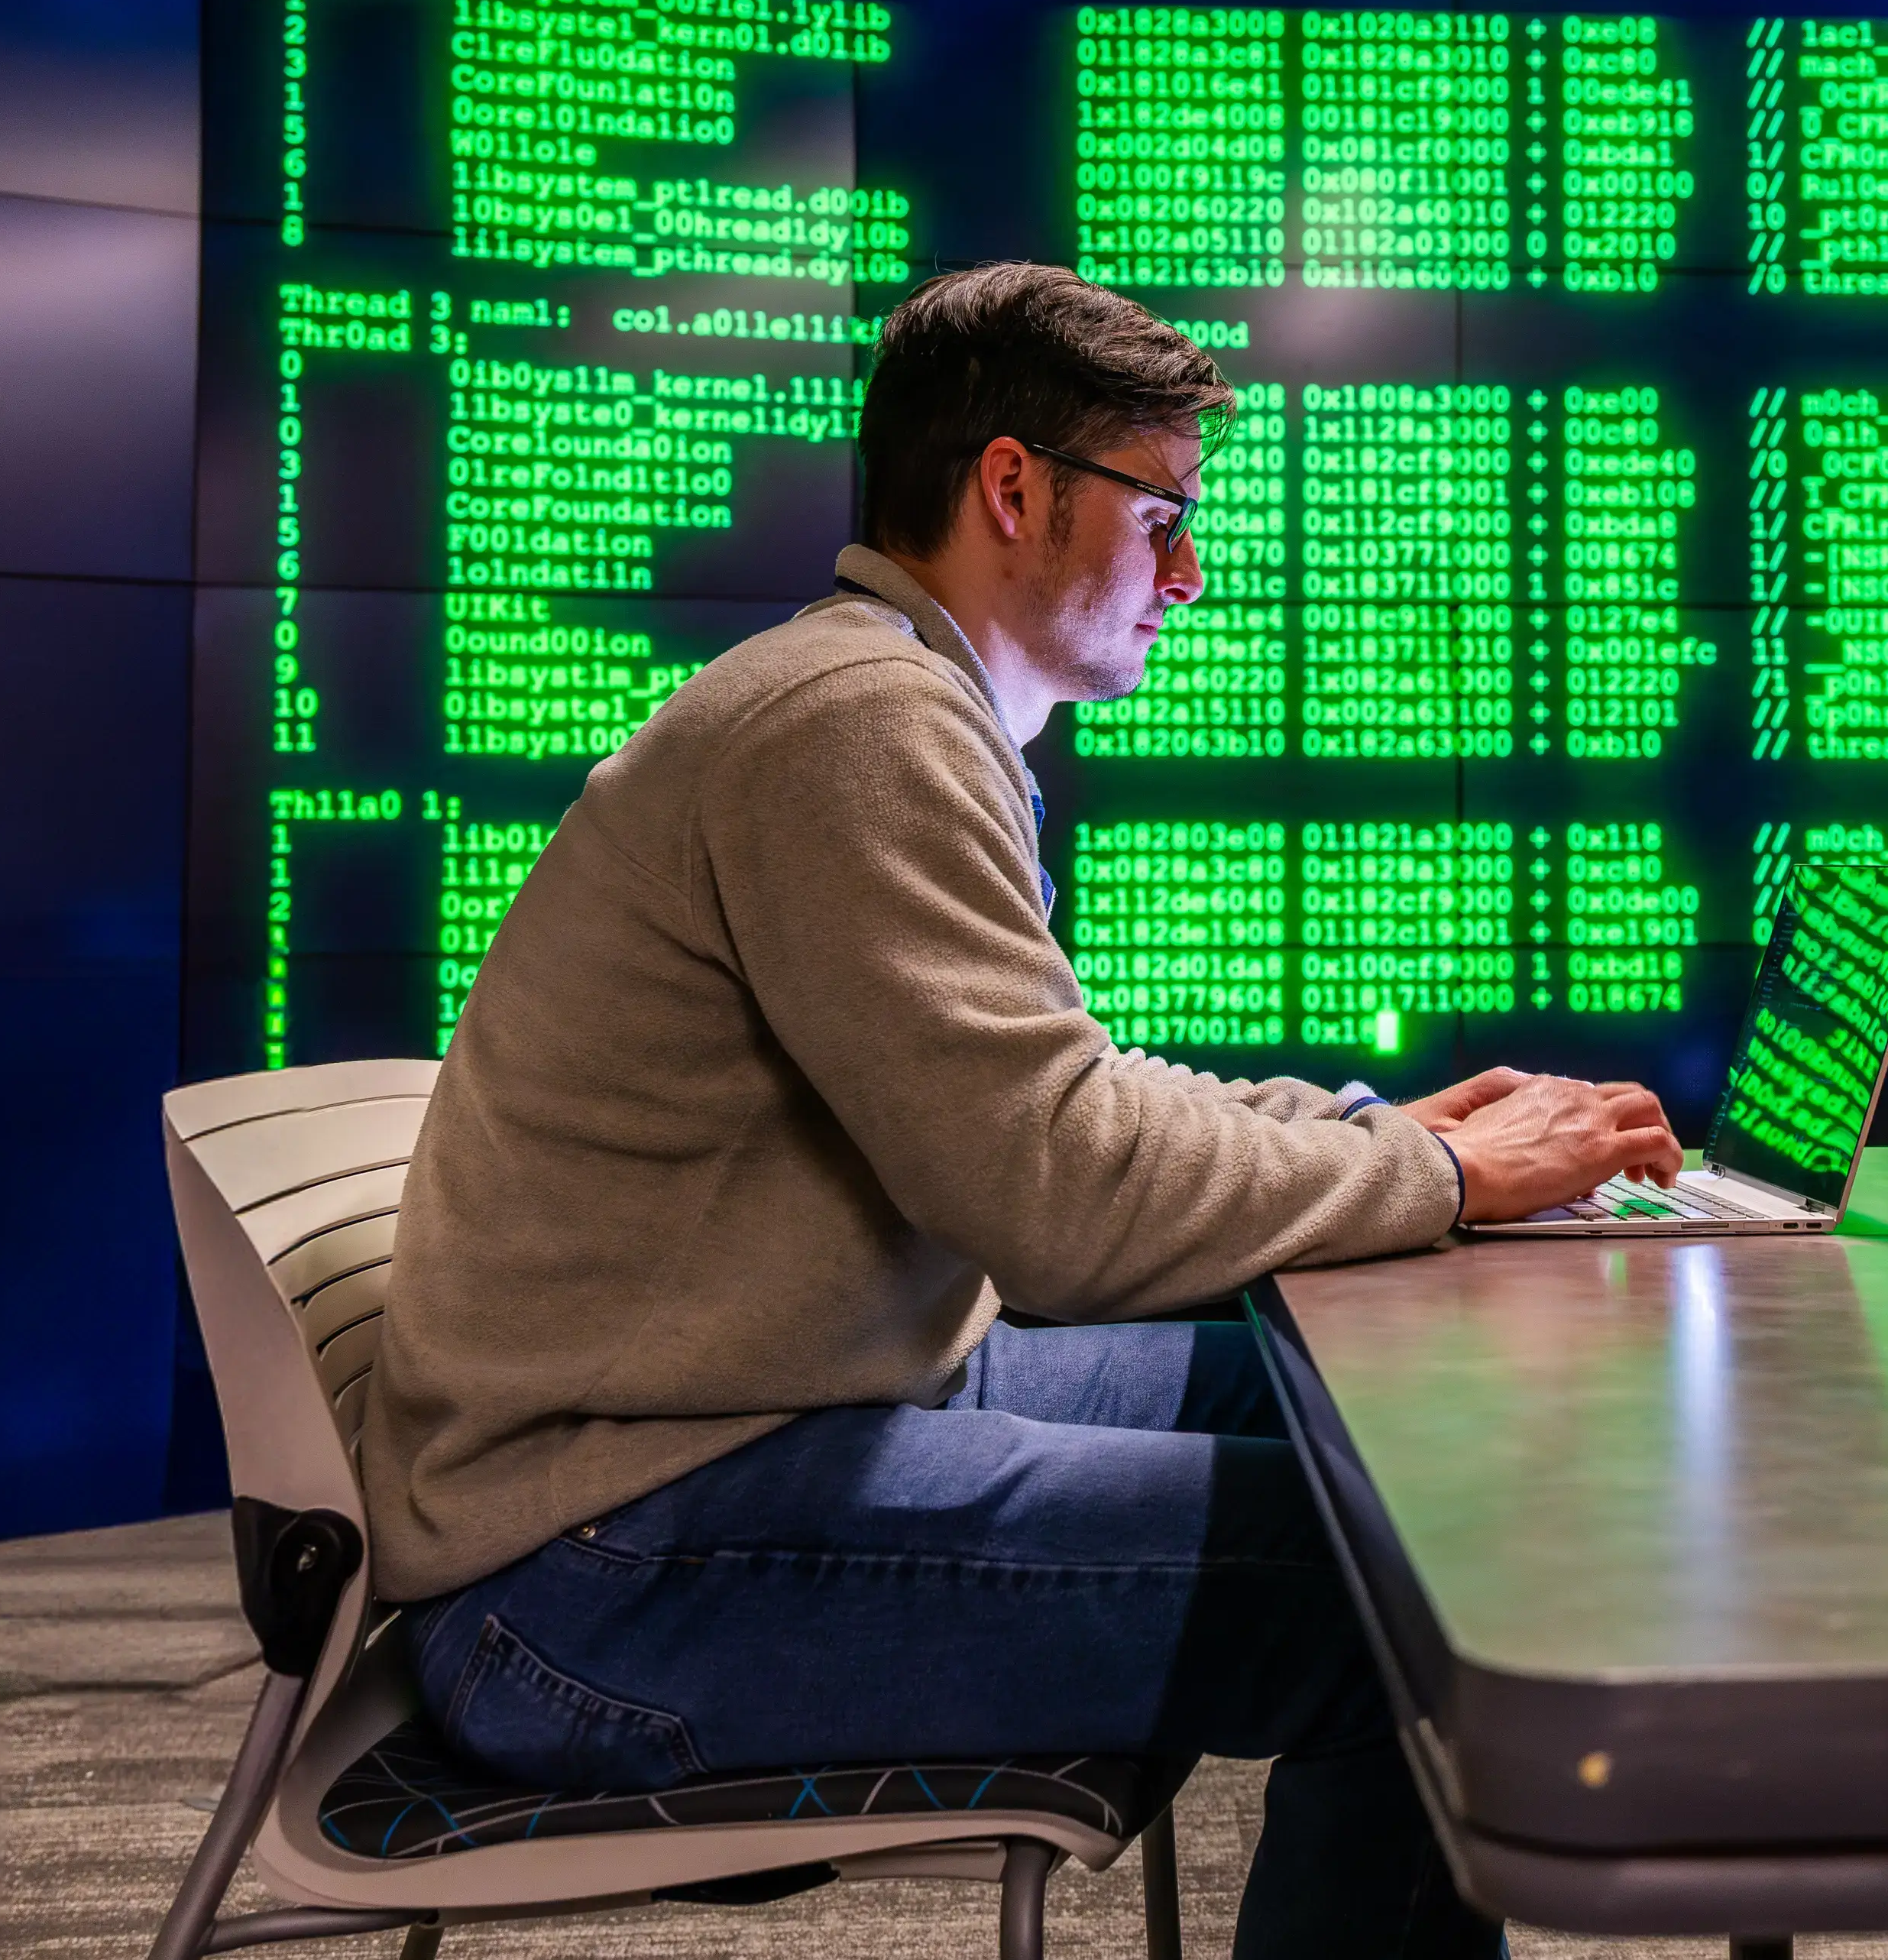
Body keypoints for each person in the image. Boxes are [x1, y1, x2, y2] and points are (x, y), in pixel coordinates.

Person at [361, 261, 1684, 1958]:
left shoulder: (883, 700)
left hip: (735, 1438)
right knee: (1408, 1591)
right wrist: (1426, 1166)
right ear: (1010, 487)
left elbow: (1057, 1094)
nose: (1190, 575)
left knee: (1373, 1434)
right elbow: (1064, 1199)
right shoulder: (858, 724)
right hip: (609, 1571)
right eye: (1163, 518)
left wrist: (1384, 1135)